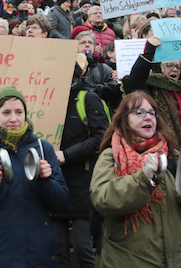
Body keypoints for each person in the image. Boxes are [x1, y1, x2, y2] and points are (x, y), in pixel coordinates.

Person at [89, 91, 181, 267]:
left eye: (152, 113)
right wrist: (143, 179)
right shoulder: (111, 156)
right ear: (124, 119)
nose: (148, 117)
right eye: (139, 112)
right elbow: (103, 199)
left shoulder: (174, 157)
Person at [0, 86, 69, 267]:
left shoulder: (43, 148)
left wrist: (45, 181)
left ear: (25, 114)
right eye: (6, 112)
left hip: (37, 254)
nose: (14, 119)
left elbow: (62, 203)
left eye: (19, 112)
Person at [52, 63, 110, 268]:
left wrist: (67, 155)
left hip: (82, 184)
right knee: (57, 249)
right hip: (53, 181)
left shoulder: (88, 98)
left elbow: (102, 137)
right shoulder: (46, 100)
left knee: (83, 247)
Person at [121, 36, 181, 147]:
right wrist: (149, 52)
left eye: (178, 66)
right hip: (158, 150)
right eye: (169, 65)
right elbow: (132, 85)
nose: (174, 69)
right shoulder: (149, 87)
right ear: (159, 68)